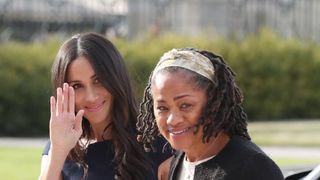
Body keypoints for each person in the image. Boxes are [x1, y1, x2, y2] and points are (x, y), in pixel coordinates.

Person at [39, 32, 171, 180]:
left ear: (116, 77)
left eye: (98, 80)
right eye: (77, 86)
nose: (91, 97)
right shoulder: (59, 148)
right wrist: (58, 150)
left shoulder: (159, 145)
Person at [136, 48, 284, 180]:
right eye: (162, 108)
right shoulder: (171, 168)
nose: (173, 120)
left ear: (214, 103)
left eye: (185, 105)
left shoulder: (253, 168)